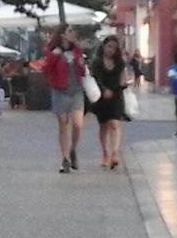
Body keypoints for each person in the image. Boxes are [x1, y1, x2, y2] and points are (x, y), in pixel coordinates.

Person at [44, 25, 86, 173]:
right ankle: (66, 158)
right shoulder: (52, 51)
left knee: (77, 124)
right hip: (60, 91)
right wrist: (54, 56)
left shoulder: (77, 50)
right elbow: (46, 69)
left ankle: (73, 149)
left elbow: (82, 70)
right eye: (69, 31)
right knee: (63, 124)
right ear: (62, 35)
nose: (73, 33)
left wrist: (81, 65)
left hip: (76, 90)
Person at [92, 36, 131, 169]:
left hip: (116, 95)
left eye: (114, 48)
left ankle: (114, 154)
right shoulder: (97, 62)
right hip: (101, 97)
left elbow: (123, 76)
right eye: (109, 46)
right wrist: (103, 90)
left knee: (114, 123)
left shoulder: (119, 62)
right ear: (103, 46)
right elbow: (95, 79)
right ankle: (105, 153)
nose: (111, 50)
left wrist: (124, 83)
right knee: (103, 125)